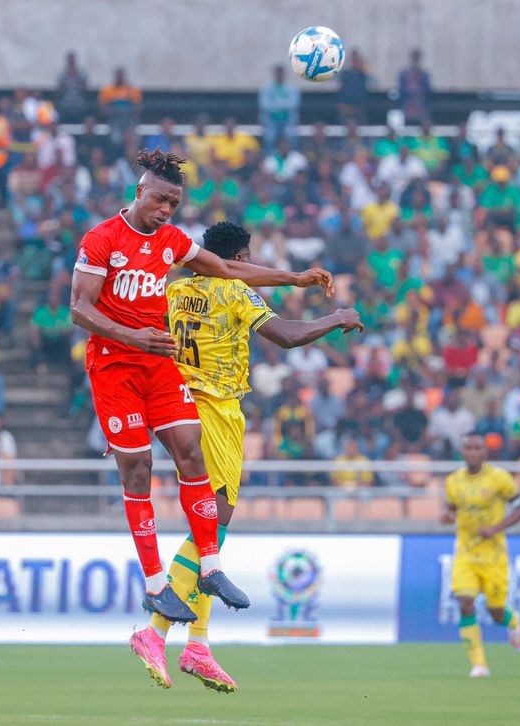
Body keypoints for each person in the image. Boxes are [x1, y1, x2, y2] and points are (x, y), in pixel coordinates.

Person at [70, 149, 333, 625]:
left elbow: (227, 268)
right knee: (139, 470)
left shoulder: (172, 241)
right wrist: (133, 336)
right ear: (140, 191)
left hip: (157, 364)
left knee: (190, 451)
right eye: (160, 199)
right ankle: (156, 584)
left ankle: (209, 566)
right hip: (114, 367)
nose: (166, 209)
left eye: (174, 203)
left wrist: (293, 278)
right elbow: (79, 308)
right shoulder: (102, 239)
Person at [129, 221, 361, 691]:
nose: (251, 265)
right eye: (248, 257)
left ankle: (198, 645)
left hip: (177, 405)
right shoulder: (235, 291)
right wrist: (337, 318)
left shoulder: (176, 291)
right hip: (214, 408)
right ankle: (154, 633)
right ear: (236, 259)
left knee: (209, 532)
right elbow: (287, 335)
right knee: (214, 523)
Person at [440, 432, 520, 678]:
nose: (472, 452)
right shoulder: (453, 481)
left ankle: (513, 621)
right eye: (467, 448)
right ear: (462, 452)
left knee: (496, 611)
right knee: (465, 602)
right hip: (466, 553)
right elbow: (450, 510)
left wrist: (496, 528)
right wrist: (446, 516)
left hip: (494, 555)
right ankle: (479, 664)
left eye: (476, 448)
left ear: (484, 452)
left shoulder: (499, 478)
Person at [397, 49, 432, 125]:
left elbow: (428, 90)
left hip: (420, 102)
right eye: (414, 58)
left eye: (417, 58)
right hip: (406, 102)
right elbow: (401, 89)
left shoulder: (424, 74)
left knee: (425, 119)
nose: (415, 60)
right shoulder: (404, 74)